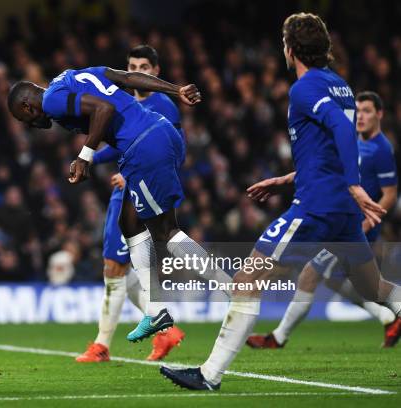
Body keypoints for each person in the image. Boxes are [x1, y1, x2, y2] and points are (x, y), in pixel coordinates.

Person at [160, 13, 401, 391]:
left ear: (290, 50)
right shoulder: (341, 86)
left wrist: (355, 185)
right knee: (375, 289)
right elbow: (329, 150)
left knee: (245, 281)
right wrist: (288, 178)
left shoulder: (303, 88)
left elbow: (340, 128)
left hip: (315, 208)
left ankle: (209, 375)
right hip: (339, 210)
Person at [7, 60, 232, 344]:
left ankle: (231, 290)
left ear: (27, 107)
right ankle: (156, 311)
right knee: (130, 223)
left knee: (164, 231)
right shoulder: (75, 76)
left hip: (142, 145)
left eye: (23, 119)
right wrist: (176, 90)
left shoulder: (52, 101)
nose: (29, 124)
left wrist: (84, 157)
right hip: (159, 133)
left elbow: (105, 109)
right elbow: (128, 78)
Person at [246, 91, 401, 349]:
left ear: (380, 115)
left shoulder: (381, 149)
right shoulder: (353, 143)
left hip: (351, 225)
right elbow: (322, 170)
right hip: (340, 220)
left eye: (367, 111)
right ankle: (387, 316)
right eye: (358, 110)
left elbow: (390, 195)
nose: (360, 116)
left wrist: (367, 223)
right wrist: (283, 181)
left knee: (311, 274)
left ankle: (279, 337)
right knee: (350, 283)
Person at [76, 45, 185, 363]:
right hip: (122, 191)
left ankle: (102, 345)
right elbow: (119, 145)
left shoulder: (163, 104)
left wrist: (137, 175)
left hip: (141, 189)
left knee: (115, 267)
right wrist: (90, 157)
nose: (138, 71)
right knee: (115, 268)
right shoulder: (124, 103)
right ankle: (164, 329)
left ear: (156, 72)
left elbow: (177, 149)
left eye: (145, 66)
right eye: (132, 66)